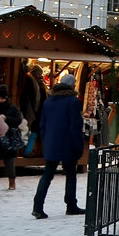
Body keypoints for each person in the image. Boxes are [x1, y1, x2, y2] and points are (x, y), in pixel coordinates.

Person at [32, 73, 86, 219]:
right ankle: (71, 204)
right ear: (72, 85)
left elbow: (42, 124)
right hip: (68, 143)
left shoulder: (49, 101)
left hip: (52, 142)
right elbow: (75, 125)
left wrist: (46, 140)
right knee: (70, 174)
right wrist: (79, 145)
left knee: (47, 174)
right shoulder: (73, 101)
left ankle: (37, 206)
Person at [0, 85, 24, 189]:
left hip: (9, 138)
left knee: (9, 161)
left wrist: (6, 118)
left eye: (2, 98)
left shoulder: (12, 108)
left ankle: (12, 182)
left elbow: (18, 121)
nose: (0, 100)